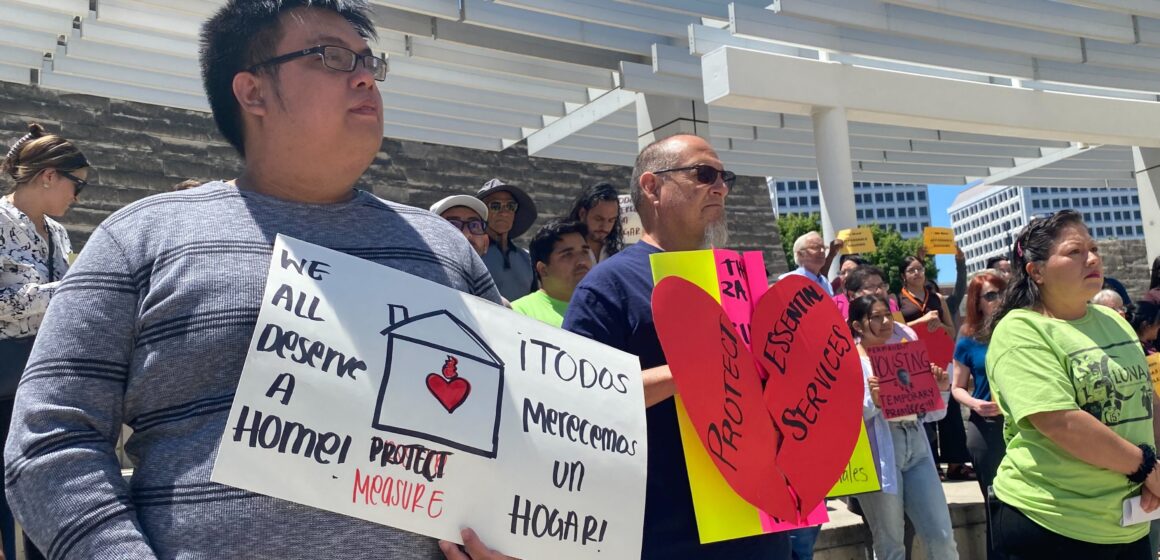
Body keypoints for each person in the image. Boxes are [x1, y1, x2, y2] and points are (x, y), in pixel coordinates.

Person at [3, 2, 508, 559]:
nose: (365, 75)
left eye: (369, 61)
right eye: (332, 57)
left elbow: (525, 431)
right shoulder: (141, 238)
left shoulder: (444, 248)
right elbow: (50, 439)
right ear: (253, 93)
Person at [563, 134, 789, 559]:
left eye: (725, 177)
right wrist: (685, 372)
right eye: (704, 174)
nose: (720, 187)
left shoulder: (738, 281)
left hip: (761, 523)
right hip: (668, 534)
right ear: (652, 187)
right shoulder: (608, 286)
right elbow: (579, 402)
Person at [986, 210, 1159, 559]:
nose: (1092, 258)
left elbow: (1147, 401)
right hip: (1050, 523)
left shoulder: (1114, 320)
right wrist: (1147, 469)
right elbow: (1061, 421)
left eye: (1093, 248)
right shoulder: (1020, 329)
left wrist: (1157, 467)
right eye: (1074, 252)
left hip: (1128, 522)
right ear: (1036, 271)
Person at [1, 122, 88, 560]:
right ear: (49, 175)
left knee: (43, 482)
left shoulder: (58, 233)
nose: (78, 197)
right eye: (78, 185)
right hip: (4, 379)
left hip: (43, 374)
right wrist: (75, 288)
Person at [849, 294, 959, 560]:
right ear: (857, 326)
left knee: (942, 536)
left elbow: (930, 413)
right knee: (890, 543)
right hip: (879, 450)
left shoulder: (904, 353)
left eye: (888, 314)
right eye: (876, 317)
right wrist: (873, 403)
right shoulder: (848, 362)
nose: (886, 321)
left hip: (916, 442)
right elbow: (844, 417)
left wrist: (940, 388)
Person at [951, 271, 1008, 560]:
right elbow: (956, 388)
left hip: (1024, 424)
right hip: (986, 427)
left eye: (1002, 292)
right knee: (996, 501)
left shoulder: (1021, 328)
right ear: (978, 302)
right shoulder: (968, 339)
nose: (999, 300)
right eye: (991, 295)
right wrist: (975, 403)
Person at [511, 220, 594, 327]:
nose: (582, 261)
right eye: (568, 254)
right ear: (543, 269)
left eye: (585, 252)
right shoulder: (519, 314)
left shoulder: (606, 311)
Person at [476, 178, 537, 302]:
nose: (504, 213)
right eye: (495, 206)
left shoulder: (527, 258)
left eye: (510, 206)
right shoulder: (473, 256)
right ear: (482, 212)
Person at [566, 182, 622, 262]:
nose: (605, 226)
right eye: (599, 219)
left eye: (611, 220)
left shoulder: (618, 254)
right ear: (582, 214)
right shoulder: (564, 250)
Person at [780, 231, 839, 296]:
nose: (822, 251)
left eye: (823, 248)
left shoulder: (826, 284)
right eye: (816, 247)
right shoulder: (785, 281)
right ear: (800, 254)